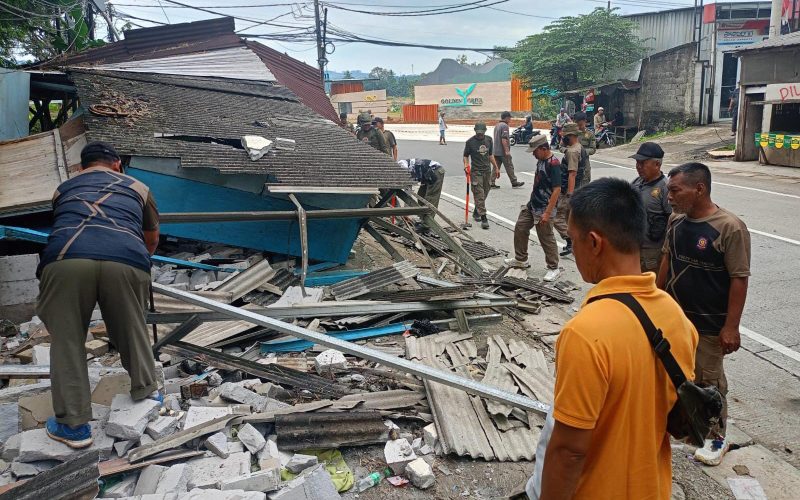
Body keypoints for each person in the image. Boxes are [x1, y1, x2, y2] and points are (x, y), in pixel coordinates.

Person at [526, 178, 698, 500]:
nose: (572, 249)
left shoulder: (585, 334)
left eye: (572, 239)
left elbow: (569, 451)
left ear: (594, 242)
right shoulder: (677, 318)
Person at [36, 141, 161, 449]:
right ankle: (147, 392)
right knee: (131, 326)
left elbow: (62, 221)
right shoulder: (139, 187)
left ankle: (73, 426)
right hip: (126, 258)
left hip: (66, 259)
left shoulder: (63, 188)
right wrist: (134, 262)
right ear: (117, 164)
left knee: (67, 340)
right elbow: (152, 239)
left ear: (82, 168)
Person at [658, 162, 751, 466]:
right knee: (678, 374)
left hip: (710, 324)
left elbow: (739, 278)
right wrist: (654, 301)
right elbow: (666, 262)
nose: (669, 197)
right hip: (676, 319)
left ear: (699, 189)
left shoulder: (729, 227)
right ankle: (686, 426)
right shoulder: (676, 222)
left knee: (710, 383)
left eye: (675, 190)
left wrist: (731, 327)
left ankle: (716, 437)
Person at [504, 135, 562, 282]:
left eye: (535, 151)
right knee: (521, 227)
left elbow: (557, 190)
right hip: (533, 204)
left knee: (546, 237)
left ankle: (553, 267)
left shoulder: (553, 163)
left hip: (545, 207)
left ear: (543, 149)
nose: (533, 155)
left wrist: (547, 213)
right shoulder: (541, 160)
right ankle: (521, 259)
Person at [631, 142, 671, 273]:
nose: (638, 167)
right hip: (633, 248)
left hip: (653, 253)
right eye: (637, 163)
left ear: (657, 164)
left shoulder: (666, 188)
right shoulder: (637, 183)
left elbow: (674, 220)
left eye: (642, 163)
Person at [552, 123, 585, 258]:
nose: (563, 138)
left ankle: (571, 241)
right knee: (569, 219)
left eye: (565, 136)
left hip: (569, 190)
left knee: (556, 218)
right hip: (577, 188)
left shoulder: (572, 152)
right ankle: (573, 243)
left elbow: (572, 174)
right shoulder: (578, 147)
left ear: (571, 136)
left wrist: (569, 194)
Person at [463, 122, 500, 230]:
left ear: (485, 131)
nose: (480, 135)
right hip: (476, 172)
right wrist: (466, 166)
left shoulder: (489, 140)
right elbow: (465, 156)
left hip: (487, 171)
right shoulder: (470, 142)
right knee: (479, 194)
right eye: (478, 133)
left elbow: (490, 155)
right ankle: (484, 218)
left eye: (481, 133)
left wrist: (496, 168)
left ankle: (477, 211)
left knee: (485, 192)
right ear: (475, 131)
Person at [492, 111, 525, 189]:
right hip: (503, 152)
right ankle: (514, 182)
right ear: (506, 118)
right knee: (509, 166)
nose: (510, 119)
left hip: (496, 151)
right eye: (510, 118)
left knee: (496, 167)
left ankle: (491, 182)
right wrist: (507, 151)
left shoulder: (497, 125)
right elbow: (504, 139)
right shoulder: (504, 126)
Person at [572, 112, 596, 184]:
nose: (578, 127)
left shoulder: (589, 134)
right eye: (577, 124)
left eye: (580, 125)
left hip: (584, 163)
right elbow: (561, 147)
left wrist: (583, 152)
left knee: (584, 185)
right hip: (571, 162)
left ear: (585, 121)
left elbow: (593, 149)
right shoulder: (570, 133)